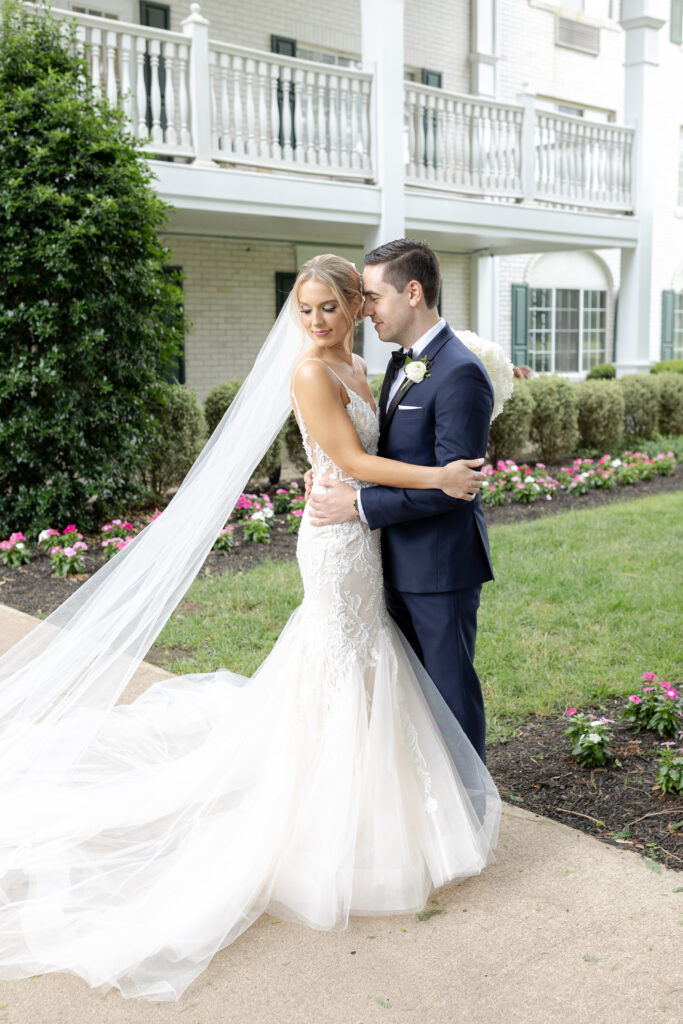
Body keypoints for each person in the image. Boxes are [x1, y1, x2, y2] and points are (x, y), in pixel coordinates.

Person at [0, 254, 500, 1003]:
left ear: (360, 306)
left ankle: (408, 803)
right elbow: (354, 456)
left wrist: (348, 480)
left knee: (382, 668)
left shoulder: (375, 366)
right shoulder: (309, 372)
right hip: (338, 543)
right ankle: (326, 821)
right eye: (305, 309)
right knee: (334, 661)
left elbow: (364, 455)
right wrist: (420, 478)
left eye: (336, 305)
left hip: (370, 538)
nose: (320, 320)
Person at [308, 240, 494, 763]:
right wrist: (326, 466)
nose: (363, 309)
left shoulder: (459, 372)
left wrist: (360, 507)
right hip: (385, 562)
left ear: (413, 292)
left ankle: (470, 824)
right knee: (408, 700)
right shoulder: (399, 363)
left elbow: (453, 489)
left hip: (439, 566)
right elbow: (381, 451)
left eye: (372, 296)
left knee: (450, 698)